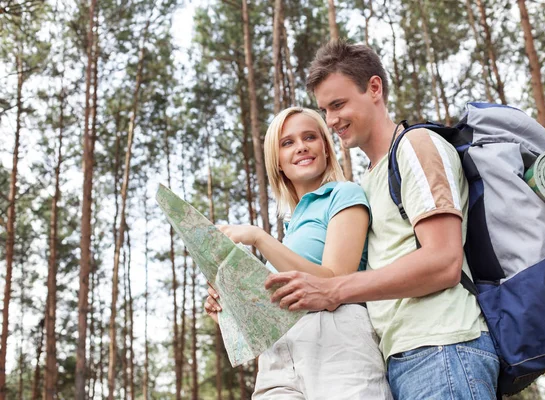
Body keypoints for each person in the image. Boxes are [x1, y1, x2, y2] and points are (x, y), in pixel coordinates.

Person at [265, 41, 500, 400]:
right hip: (403, 359)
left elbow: (444, 262)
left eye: (339, 104)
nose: (331, 121)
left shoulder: (416, 146)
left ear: (374, 88)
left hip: (444, 348)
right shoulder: (370, 179)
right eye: (325, 109)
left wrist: (333, 289)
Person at [204, 106, 393, 400]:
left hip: (336, 341)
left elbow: (334, 282)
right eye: (287, 142)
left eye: (310, 137)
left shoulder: (344, 194)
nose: (301, 147)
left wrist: (259, 237)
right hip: (280, 356)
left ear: (326, 149)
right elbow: (272, 315)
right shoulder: (291, 228)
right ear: (277, 161)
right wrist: (229, 314)